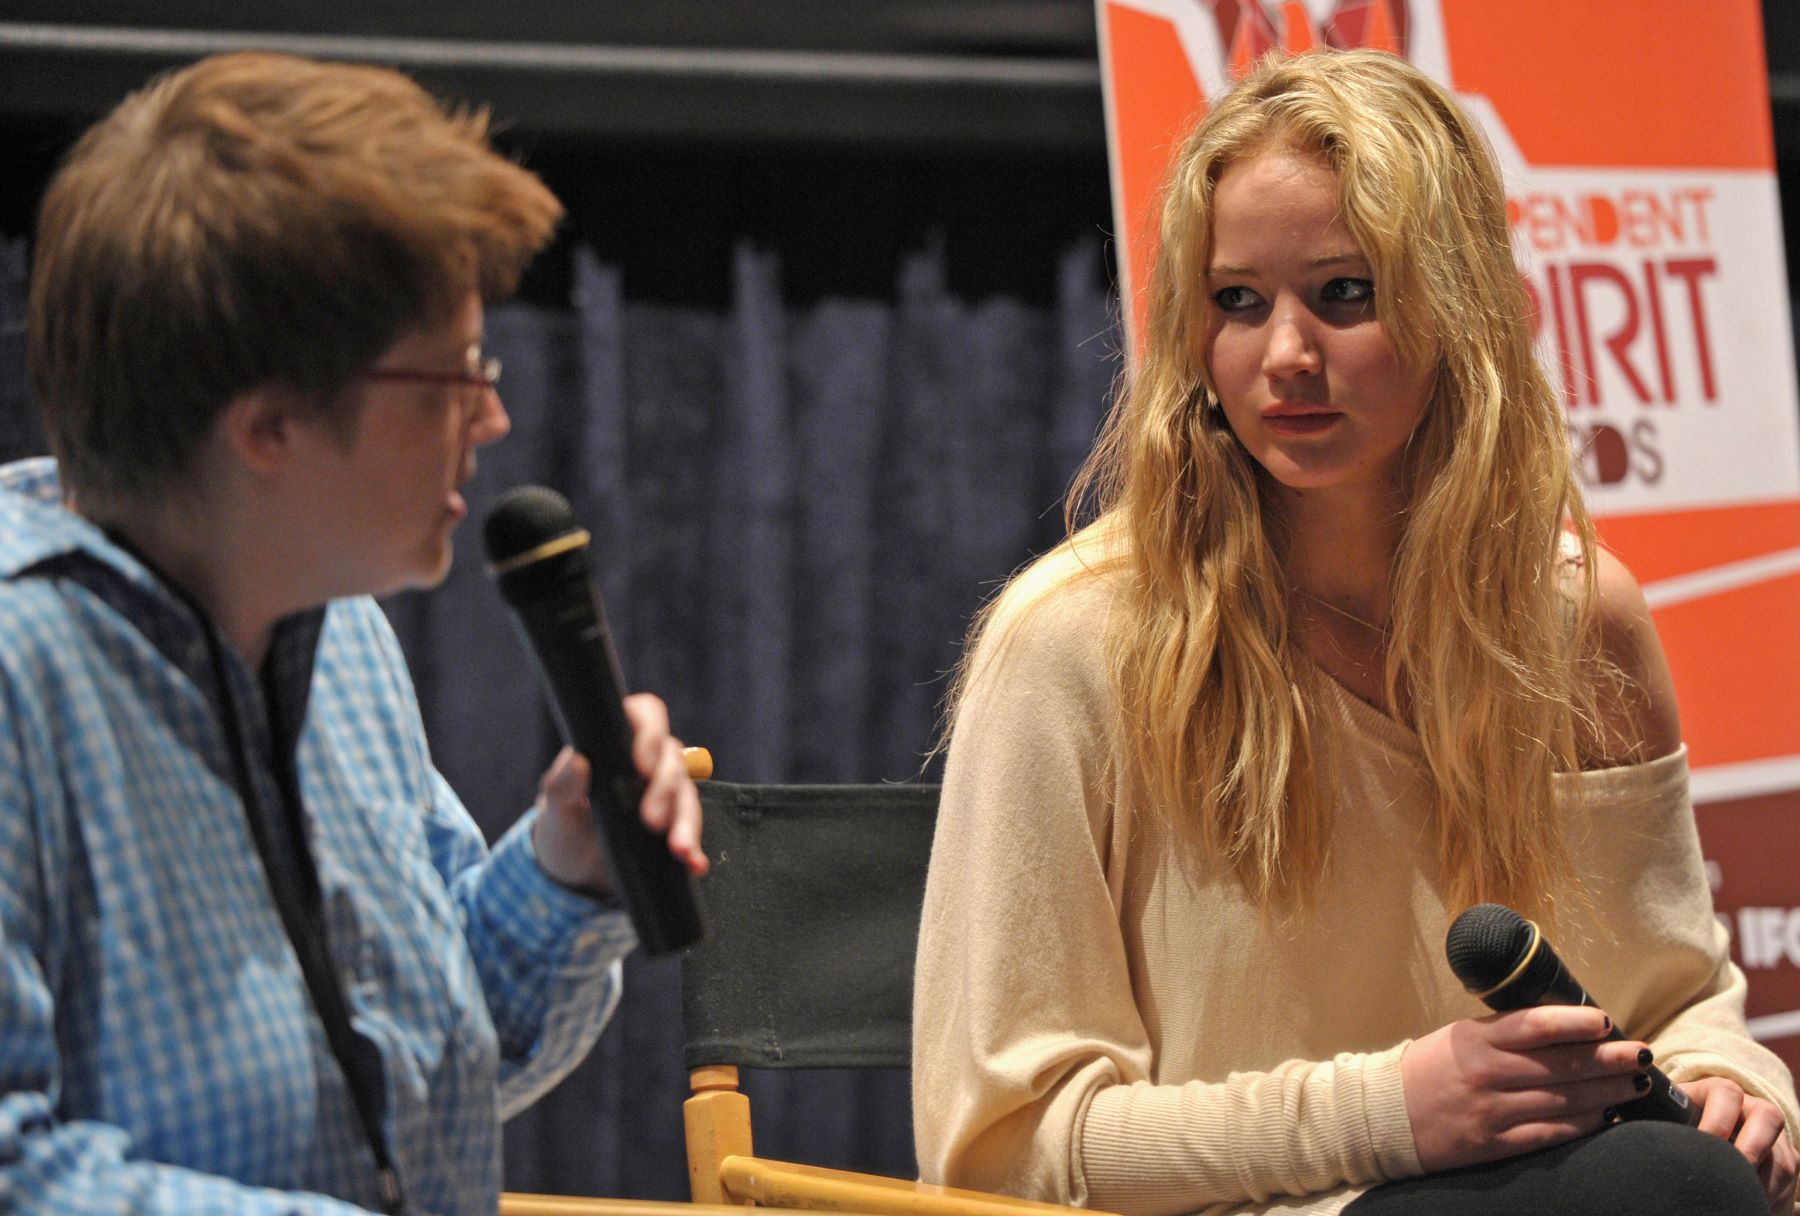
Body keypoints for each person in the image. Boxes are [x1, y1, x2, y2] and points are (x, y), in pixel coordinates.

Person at [912, 48, 1798, 1216]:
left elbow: (1674, 999)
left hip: (1538, 1189)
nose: (1285, 354)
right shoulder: (1070, 643)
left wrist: (1729, 1080)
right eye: (1238, 301)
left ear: (1459, 305)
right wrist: (1393, 1112)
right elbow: (1000, 1151)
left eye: (1345, 293)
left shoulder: (1579, 620)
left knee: (1684, 1180)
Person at [0, 51, 705, 1216]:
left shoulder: (338, 629)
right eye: (449, 380)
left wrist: (568, 867)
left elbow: (418, 1062)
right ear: (268, 425)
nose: (492, 417)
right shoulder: (24, 672)